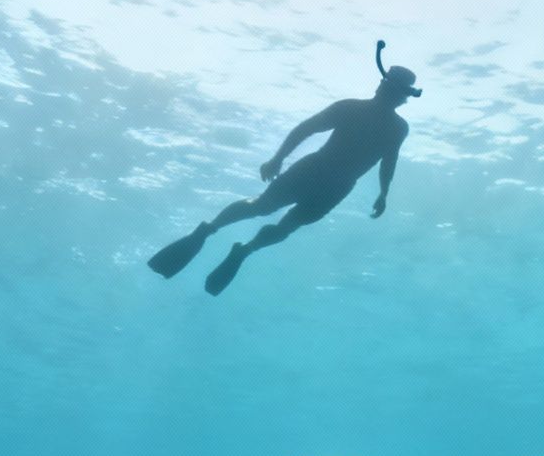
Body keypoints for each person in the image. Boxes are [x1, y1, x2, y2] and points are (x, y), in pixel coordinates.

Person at [149, 43, 421, 295]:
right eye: (388, 87)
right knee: (263, 207)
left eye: (394, 91)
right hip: (315, 171)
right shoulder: (351, 109)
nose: (387, 93)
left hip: (335, 186)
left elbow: (389, 161)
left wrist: (384, 193)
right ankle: (208, 231)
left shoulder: (396, 128)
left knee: (286, 226)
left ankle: (244, 250)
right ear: (383, 87)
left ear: (399, 97)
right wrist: (277, 158)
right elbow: (306, 129)